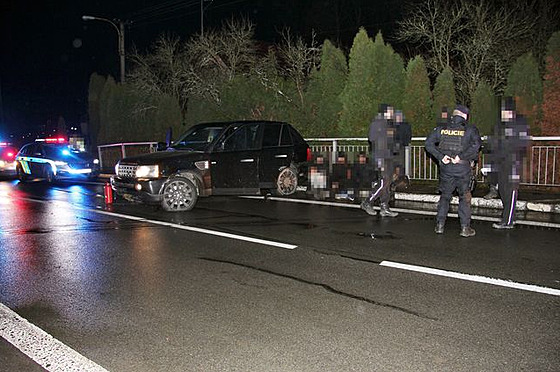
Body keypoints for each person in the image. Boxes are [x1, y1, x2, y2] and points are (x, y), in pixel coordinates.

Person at [425, 104, 481, 237]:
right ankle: (464, 228)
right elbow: (476, 145)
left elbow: (428, 143)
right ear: (465, 116)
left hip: (446, 168)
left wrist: (441, 156)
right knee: (464, 197)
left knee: (445, 197)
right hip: (462, 168)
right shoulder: (470, 129)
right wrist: (461, 157)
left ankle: (439, 225)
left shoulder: (442, 128)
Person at [490, 97, 530, 229]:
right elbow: (495, 142)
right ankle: (509, 216)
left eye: (505, 110)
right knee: (502, 190)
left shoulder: (519, 123)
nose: (503, 113)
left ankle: (507, 221)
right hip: (501, 163)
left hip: (513, 162)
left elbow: (522, 143)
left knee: (511, 190)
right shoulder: (500, 125)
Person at [361, 104, 399, 217]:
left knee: (387, 183)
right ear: (385, 112)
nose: (392, 113)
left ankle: (384, 207)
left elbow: (391, 141)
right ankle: (367, 202)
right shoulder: (377, 123)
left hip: (388, 156)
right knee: (384, 182)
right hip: (380, 156)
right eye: (390, 110)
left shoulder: (389, 124)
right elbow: (372, 139)